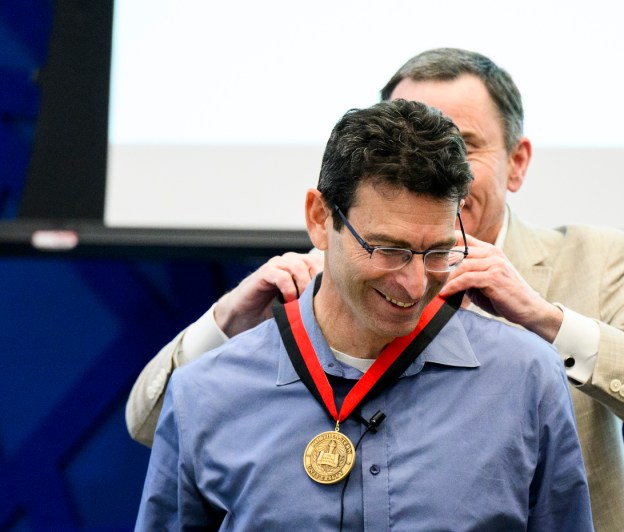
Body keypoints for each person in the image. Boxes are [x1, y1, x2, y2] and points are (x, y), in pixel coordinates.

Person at [127, 48, 624, 531]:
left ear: (517, 162)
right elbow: (159, 425)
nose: (430, 162)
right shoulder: (326, 271)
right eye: (405, 138)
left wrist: (548, 322)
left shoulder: (592, 260)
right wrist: (226, 322)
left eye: (461, 142)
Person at [134, 99, 593, 530]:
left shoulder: (526, 379)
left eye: (438, 252)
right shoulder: (206, 392)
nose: (415, 285)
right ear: (319, 218)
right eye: (388, 249)